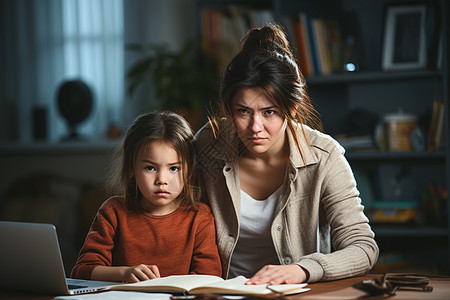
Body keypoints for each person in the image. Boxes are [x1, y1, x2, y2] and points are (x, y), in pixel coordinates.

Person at [194, 23, 379, 285]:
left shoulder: (324, 157)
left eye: (269, 112)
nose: (255, 127)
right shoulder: (207, 144)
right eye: (243, 111)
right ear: (229, 107)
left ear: (292, 108)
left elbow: (363, 248)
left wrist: (302, 270)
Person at [71, 111, 221, 282]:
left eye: (174, 168)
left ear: (189, 170)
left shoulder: (199, 217)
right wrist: (124, 273)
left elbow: (209, 276)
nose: (162, 180)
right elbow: (82, 270)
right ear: (131, 168)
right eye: (150, 168)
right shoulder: (113, 212)